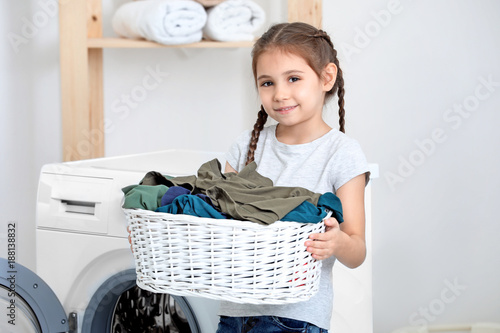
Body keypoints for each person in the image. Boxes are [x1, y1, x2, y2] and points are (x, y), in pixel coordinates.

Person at [216, 22, 371, 333]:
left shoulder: (341, 153)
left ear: (327, 77)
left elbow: (357, 251)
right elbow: (217, 220)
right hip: (233, 312)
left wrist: (336, 241)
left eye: (294, 79)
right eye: (267, 83)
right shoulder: (245, 145)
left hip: (296, 318)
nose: (280, 94)